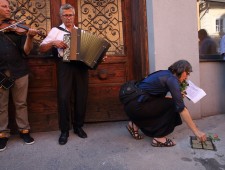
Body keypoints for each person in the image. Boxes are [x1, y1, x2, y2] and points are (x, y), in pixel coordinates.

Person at [124, 60, 207, 147]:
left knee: (169, 103)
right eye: (187, 73)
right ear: (182, 70)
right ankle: (159, 138)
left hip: (133, 105)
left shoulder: (165, 73)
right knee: (173, 105)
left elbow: (156, 97)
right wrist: (197, 132)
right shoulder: (172, 79)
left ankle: (134, 124)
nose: (187, 77)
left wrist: (176, 96)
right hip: (138, 107)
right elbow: (181, 108)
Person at [39, 4, 88, 145]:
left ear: (74, 16)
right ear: (61, 17)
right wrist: (54, 42)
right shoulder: (55, 30)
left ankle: (78, 127)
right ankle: (64, 130)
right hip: (64, 65)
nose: (68, 18)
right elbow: (42, 48)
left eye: (70, 15)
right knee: (63, 97)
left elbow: (88, 52)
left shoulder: (80, 31)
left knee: (81, 96)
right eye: (65, 15)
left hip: (80, 67)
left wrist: (98, 56)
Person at [0, 0, 39, 151]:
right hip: (1, 72)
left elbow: (26, 51)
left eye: (9, 6)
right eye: (4, 6)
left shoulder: (18, 27)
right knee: (1, 106)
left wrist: (29, 37)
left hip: (19, 70)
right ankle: (2, 134)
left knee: (21, 103)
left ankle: (24, 130)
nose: (8, 9)